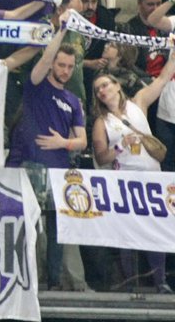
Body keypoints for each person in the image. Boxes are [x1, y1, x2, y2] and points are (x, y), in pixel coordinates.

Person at [5, 11, 86, 291]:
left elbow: (82, 141)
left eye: (69, 67)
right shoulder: (36, 86)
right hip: (32, 166)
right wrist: (61, 31)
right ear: (54, 65)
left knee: (56, 231)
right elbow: (42, 60)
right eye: (61, 65)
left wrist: (63, 143)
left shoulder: (74, 100)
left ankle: (52, 282)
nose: (64, 70)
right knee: (26, 225)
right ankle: (23, 278)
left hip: (60, 170)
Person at [91, 56, 175, 292]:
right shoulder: (102, 122)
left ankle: (160, 282)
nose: (102, 91)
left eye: (106, 85)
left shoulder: (138, 103)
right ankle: (130, 283)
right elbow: (100, 157)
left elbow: (162, 78)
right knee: (128, 231)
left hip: (151, 176)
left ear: (117, 85)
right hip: (125, 179)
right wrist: (120, 147)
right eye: (98, 89)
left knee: (155, 228)